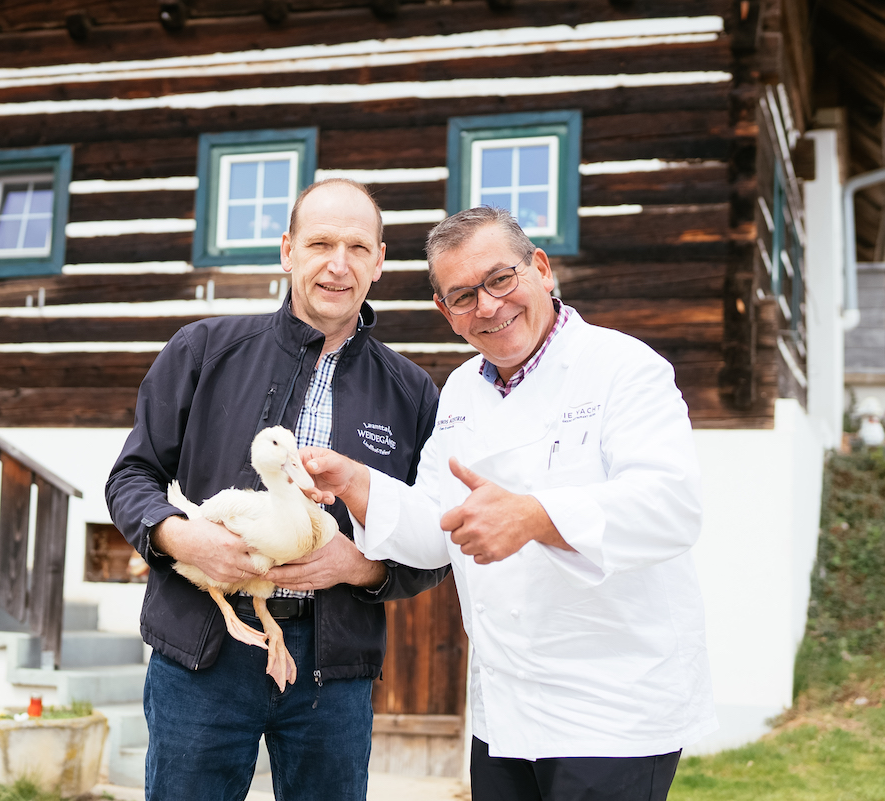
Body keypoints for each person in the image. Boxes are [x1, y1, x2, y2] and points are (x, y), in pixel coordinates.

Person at [302, 206, 718, 801]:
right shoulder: (461, 392)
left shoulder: (623, 368)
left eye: (501, 280)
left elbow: (670, 506)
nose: (489, 307)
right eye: (463, 295)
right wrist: (354, 482)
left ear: (541, 269)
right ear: (445, 313)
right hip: (506, 709)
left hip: (617, 705)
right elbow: (437, 527)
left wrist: (535, 518)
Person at [104, 178, 447, 801]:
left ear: (380, 261)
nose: (337, 265)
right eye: (319, 243)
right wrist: (181, 536)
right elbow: (132, 476)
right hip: (204, 647)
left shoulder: (413, 392)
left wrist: (361, 567)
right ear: (288, 250)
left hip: (334, 664)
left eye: (356, 247)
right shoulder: (204, 350)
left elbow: (432, 540)